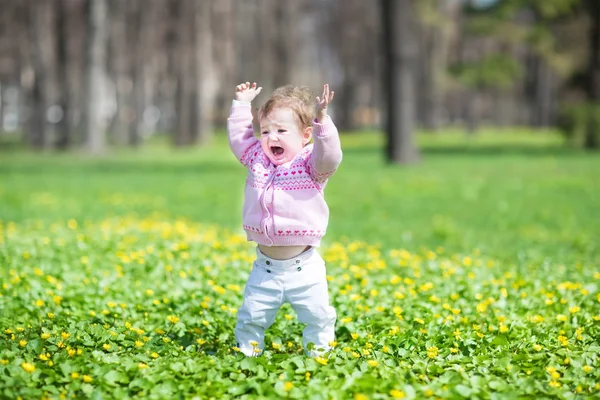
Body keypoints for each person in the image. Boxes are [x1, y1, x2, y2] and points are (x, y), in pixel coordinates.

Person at [227, 82, 342, 357]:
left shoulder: (310, 165)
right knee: (251, 316)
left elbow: (330, 156)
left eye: (281, 130)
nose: (270, 137)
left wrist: (322, 120)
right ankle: (247, 356)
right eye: (265, 130)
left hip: (305, 269)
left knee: (318, 317)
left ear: (305, 136)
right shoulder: (257, 157)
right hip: (264, 269)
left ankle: (320, 357)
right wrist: (242, 105)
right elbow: (239, 139)